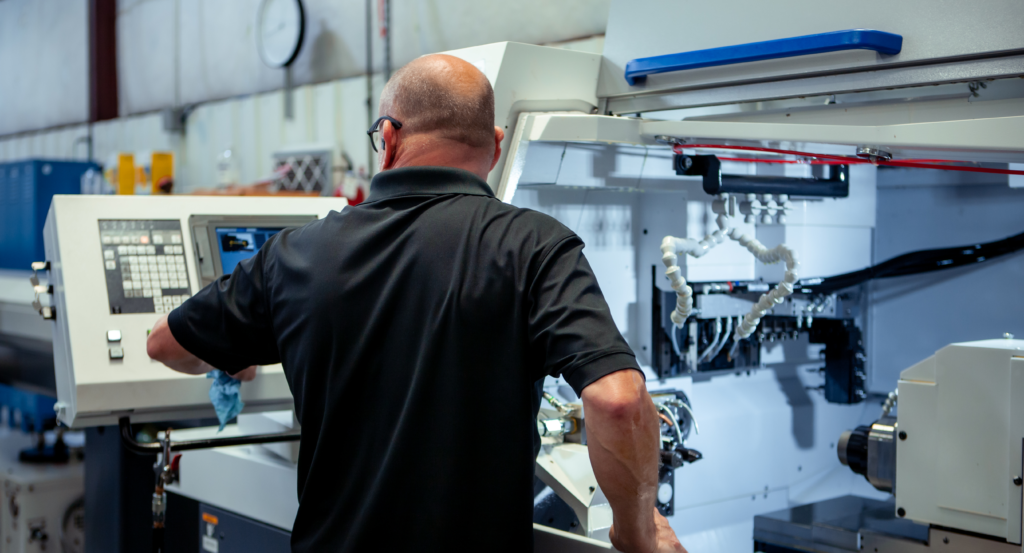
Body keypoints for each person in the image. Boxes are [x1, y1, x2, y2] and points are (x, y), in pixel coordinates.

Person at [146, 54, 687, 553]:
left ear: (387, 137)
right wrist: (635, 531)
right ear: (495, 144)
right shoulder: (536, 246)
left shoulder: (294, 253)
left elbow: (167, 344)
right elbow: (617, 400)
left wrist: (228, 354)